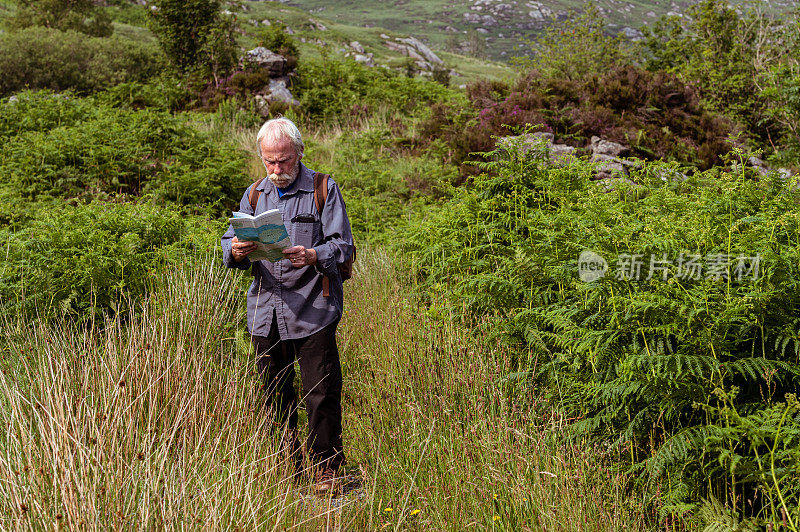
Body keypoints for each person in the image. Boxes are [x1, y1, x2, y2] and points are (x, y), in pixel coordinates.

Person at [221, 117, 354, 493]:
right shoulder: (253, 194)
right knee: (274, 393)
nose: (276, 169)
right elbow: (229, 241)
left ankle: (327, 470)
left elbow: (343, 246)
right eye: (269, 161)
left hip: (314, 309)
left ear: (298, 151)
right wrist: (235, 249)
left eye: (283, 160)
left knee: (321, 393)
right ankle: (287, 468)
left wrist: (313, 254)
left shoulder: (322, 188)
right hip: (266, 311)